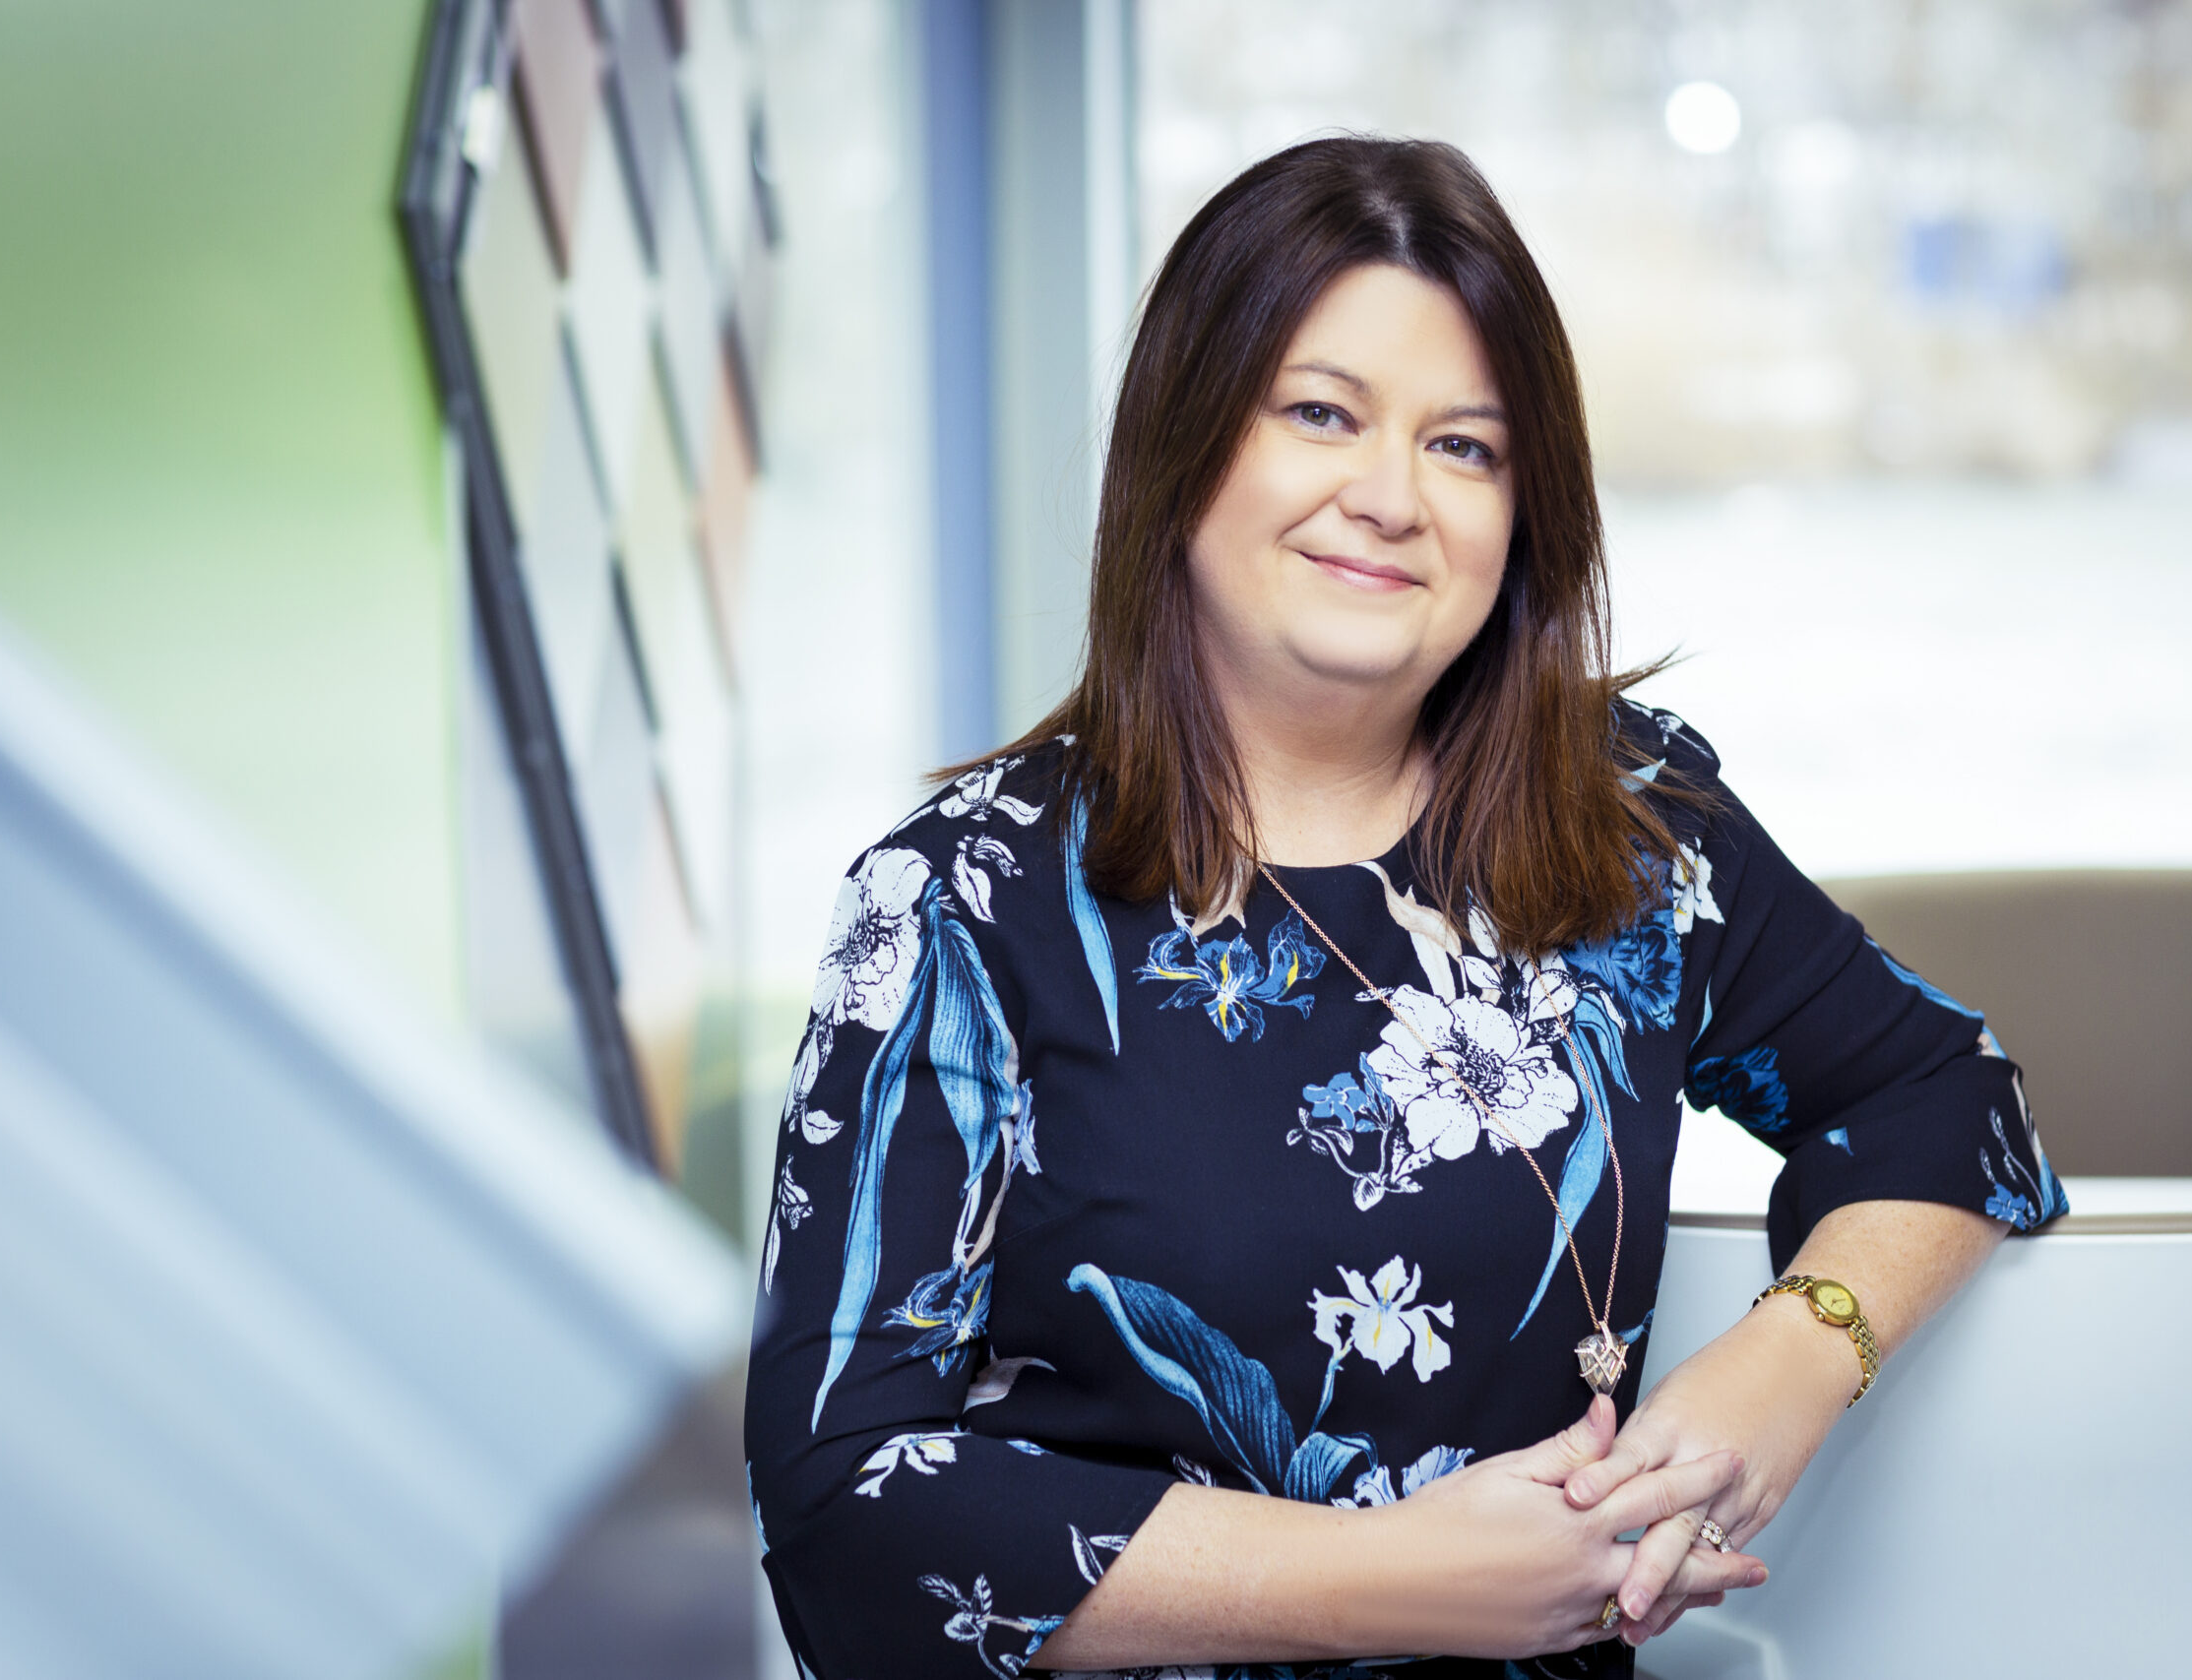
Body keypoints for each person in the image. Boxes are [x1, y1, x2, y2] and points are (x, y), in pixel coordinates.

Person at [745, 136, 2065, 1678]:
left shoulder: (1631, 825)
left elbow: (1943, 1093)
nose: (1391, 498)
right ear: (1184, 448)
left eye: (1466, 447)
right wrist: (1394, 1584)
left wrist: (1792, 1361)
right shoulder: (963, 897)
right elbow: (844, 1493)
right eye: (1320, 414)